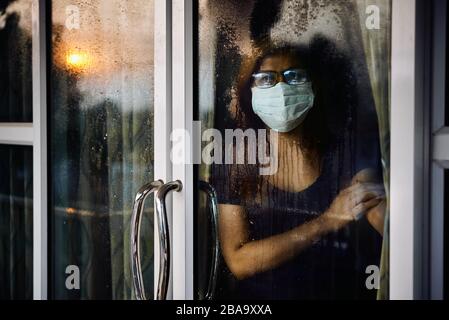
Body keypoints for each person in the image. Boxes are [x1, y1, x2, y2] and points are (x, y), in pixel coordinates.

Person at [212, 44, 387, 300]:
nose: (281, 88)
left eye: (294, 76)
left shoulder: (341, 153)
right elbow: (239, 261)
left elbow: (376, 206)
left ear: (313, 87)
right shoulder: (238, 160)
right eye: (267, 79)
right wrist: (326, 222)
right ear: (250, 92)